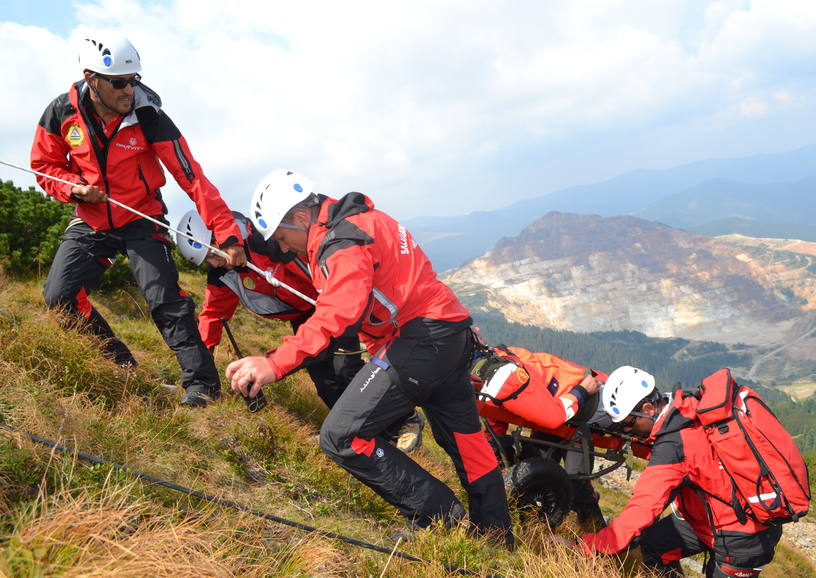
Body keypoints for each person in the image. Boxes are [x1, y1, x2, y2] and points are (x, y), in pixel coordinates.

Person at [225, 169, 513, 544]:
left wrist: (274, 363)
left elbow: (337, 311)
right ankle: (494, 535)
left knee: (341, 436)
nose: (283, 247)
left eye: (282, 236)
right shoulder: (365, 219)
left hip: (420, 341)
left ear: (299, 217)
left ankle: (441, 517)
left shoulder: (342, 242)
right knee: (467, 442)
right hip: (447, 333)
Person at [30, 31, 245, 407]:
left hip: (142, 216)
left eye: (134, 80)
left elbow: (192, 177)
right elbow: (44, 167)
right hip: (91, 219)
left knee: (164, 300)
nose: (128, 89)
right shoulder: (60, 112)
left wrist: (227, 234)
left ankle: (203, 387)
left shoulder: (149, 116)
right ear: (91, 78)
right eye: (118, 82)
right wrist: (75, 188)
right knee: (58, 297)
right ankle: (119, 365)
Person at [175, 209, 425, 452]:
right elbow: (213, 315)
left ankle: (405, 420)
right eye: (209, 261)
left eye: (212, 255)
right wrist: (202, 361)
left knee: (345, 371)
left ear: (219, 237)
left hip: (331, 307)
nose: (215, 263)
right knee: (325, 382)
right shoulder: (223, 273)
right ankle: (367, 433)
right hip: (304, 319)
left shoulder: (269, 244)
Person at [565, 366, 783, 577]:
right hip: (705, 519)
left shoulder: (674, 447)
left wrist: (582, 546)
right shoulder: (686, 406)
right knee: (650, 547)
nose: (625, 431)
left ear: (649, 410)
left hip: (743, 536)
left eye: (627, 424)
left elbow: (640, 512)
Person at [469, 336, 607, 528]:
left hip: (580, 412)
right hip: (554, 411)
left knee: (576, 481)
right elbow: (497, 410)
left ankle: (598, 536)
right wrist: (492, 448)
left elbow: (553, 414)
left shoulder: (501, 371)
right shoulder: (492, 363)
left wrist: (581, 392)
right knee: (541, 470)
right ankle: (532, 522)